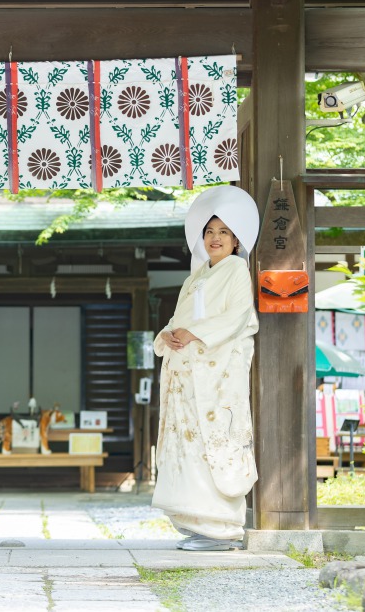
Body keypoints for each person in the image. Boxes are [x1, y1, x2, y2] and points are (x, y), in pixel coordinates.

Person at [151, 185, 260, 551]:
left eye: (224, 232)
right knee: (189, 446)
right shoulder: (194, 277)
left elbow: (238, 317)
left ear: (235, 240)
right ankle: (196, 522)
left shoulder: (236, 270)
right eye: (210, 231)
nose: (215, 238)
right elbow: (178, 318)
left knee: (215, 442)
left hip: (215, 375)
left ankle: (222, 528)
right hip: (188, 376)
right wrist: (168, 335)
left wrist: (194, 333)